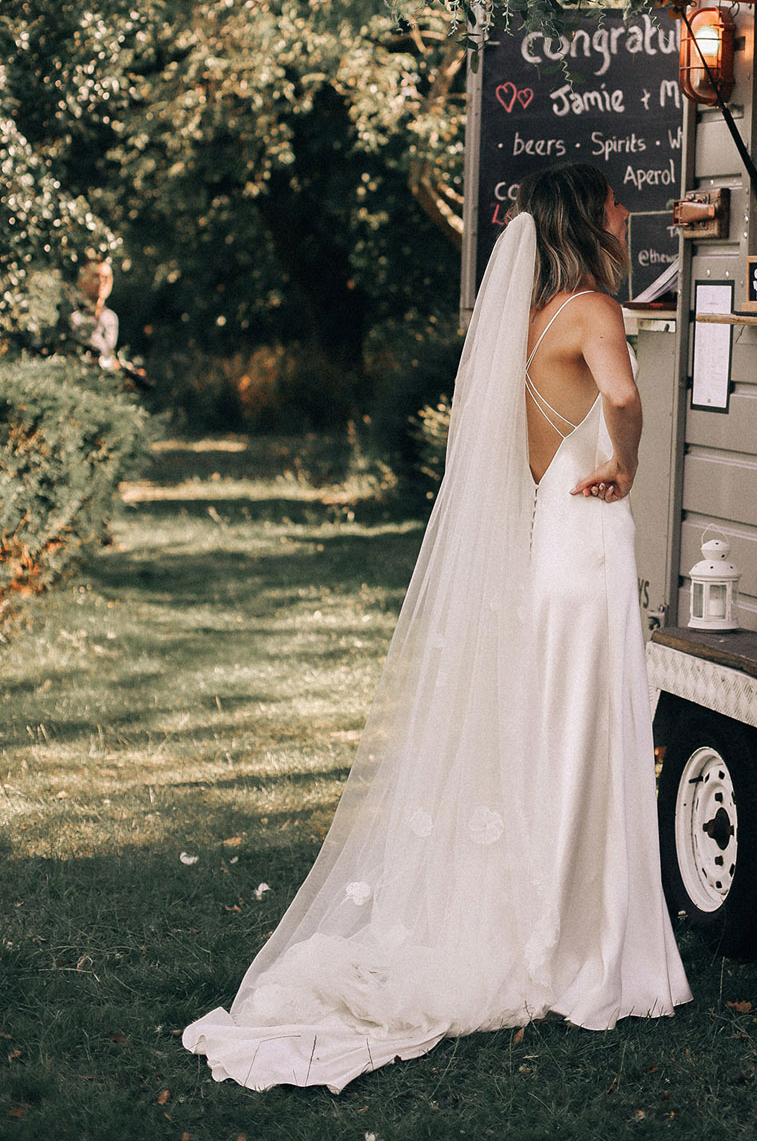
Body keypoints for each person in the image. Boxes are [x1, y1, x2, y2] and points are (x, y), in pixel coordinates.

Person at [182, 163, 690, 1093]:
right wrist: (628, 460)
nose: (627, 211)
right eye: (615, 200)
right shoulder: (593, 311)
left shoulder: (530, 321)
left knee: (556, 735)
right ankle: (578, 940)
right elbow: (620, 397)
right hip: (587, 550)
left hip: (549, 545)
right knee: (593, 729)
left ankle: (555, 916)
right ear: (588, 215)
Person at [68, 259, 119, 369]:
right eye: (96, 277)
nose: (101, 282)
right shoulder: (72, 314)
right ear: (81, 281)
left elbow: (107, 354)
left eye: (106, 278)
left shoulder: (110, 317)